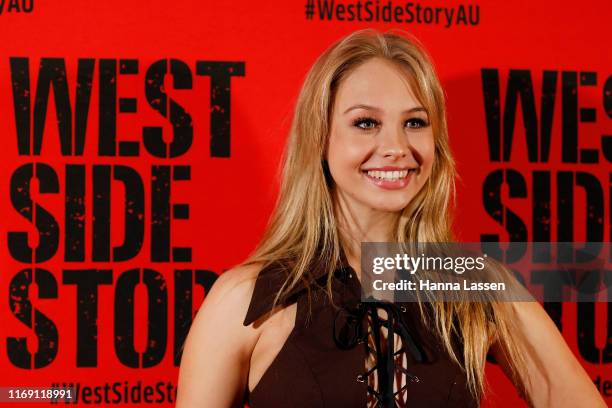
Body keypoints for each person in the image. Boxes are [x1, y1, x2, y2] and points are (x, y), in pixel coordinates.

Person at [175, 29, 605, 407]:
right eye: (366, 123)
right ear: (320, 139)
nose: (396, 146)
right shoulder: (244, 298)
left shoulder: (475, 282)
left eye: (415, 122)